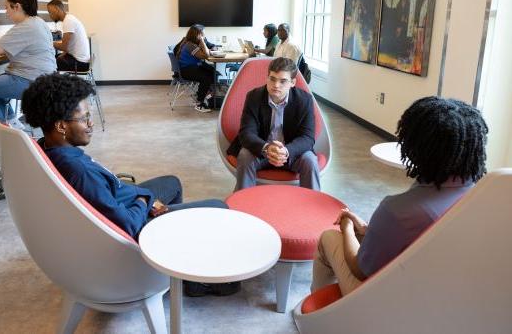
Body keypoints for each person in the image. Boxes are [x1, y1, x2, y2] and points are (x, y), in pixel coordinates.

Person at [20, 73, 239, 296]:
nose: (91, 123)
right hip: (132, 222)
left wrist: (140, 196)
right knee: (218, 207)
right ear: (60, 126)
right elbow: (125, 223)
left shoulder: (48, 148)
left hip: (122, 200)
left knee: (172, 183)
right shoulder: (80, 172)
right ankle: (185, 279)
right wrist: (145, 200)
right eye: (84, 118)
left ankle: (173, 260)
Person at [310, 96, 488, 296]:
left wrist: (348, 228)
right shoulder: (482, 193)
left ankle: (322, 312)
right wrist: (368, 229)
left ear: (415, 146)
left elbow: (360, 269)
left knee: (329, 238)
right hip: (443, 287)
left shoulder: (398, 210)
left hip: (388, 296)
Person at [227, 57, 320, 191]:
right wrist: (266, 148)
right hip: (261, 151)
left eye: (283, 81)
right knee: (245, 155)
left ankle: (312, 207)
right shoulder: (254, 96)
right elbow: (246, 133)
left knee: (310, 161)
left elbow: (307, 137)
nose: (276, 85)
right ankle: (243, 204)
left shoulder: (304, 100)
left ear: (293, 82)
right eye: (272, 78)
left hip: (291, 153)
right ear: (267, 77)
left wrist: (286, 151)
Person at [173, 24, 217, 113]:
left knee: (213, 72)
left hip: (192, 67)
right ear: (197, 35)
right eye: (202, 34)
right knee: (206, 78)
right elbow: (206, 55)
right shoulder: (190, 45)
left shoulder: (189, 42)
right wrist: (203, 42)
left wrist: (204, 43)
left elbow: (206, 52)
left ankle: (207, 95)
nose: (204, 36)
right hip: (187, 70)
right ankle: (199, 103)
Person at [46, 0, 91, 72]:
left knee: (48, 63)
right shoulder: (69, 18)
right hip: (81, 60)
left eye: (50, 12)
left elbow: (63, 47)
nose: (50, 15)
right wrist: (64, 53)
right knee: (54, 58)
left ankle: (56, 83)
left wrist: (49, 42)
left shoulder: (68, 21)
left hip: (80, 63)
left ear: (57, 9)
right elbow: (67, 47)